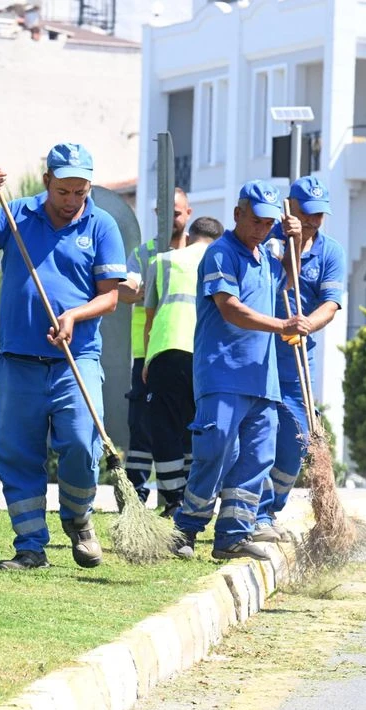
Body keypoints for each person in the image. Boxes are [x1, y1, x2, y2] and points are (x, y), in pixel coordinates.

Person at [0, 142, 126, 570]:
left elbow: (111, 298)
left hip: (75, 360)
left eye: (79, 192)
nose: (71, 202)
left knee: (84, 446)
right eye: (63, 191)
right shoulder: (17, 213)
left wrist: (73, 316)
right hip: (17, 362)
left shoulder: (101, 226)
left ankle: (79, 521)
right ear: (47, 181)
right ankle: (30, 546)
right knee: (16, 453)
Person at [172, 180, 310, 561]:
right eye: (256, 221)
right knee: (215, 451)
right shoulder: (220, 254)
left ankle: (233, 535)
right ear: (238, 215)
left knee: (256, 458)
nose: (262, 229)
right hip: (223, 373)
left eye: (269, 224)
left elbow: (291, 275)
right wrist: (282, 326)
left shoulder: (266, 257)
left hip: (262, 380)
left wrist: (294, 242)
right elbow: (230, 308)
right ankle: (185, 527)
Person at [254, 176, 346, 542]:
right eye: (307, 213)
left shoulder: (331, 251)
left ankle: (269, 510)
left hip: (296, 357)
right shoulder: (265, 238)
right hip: (259, 352)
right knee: (258, 434)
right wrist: (288, 241)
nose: (313, 221)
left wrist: (307, 324)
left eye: (320, 215)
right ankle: (246, 514)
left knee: (298, 437)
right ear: (289, 207)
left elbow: (331, 304)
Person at [140, 216, 224, 518]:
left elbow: (150, 317)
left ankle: (173, 499)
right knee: (198, 429)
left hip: (168, 349)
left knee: (165, 427)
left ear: (189, 236)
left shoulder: (163, 261)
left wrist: (148, 358)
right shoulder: (222, 260)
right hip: (208, 356)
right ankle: (195, 497)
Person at [119, 188, 193, 506]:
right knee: (143, 427)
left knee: (188, 428)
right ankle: (134, 498)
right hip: (146, 354)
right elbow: (125, 289)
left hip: (190, 352)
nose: (171, 219)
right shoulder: (145, 253)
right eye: (165, 213)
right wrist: (141, 289)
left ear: (188, 213)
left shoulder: (199, 254)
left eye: (176, 212)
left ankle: (181, 500)